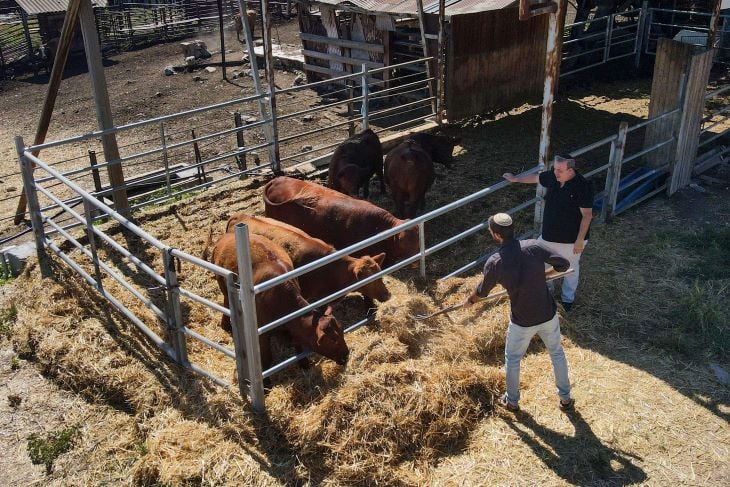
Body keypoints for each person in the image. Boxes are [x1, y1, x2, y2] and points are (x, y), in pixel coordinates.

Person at [463, 213, 574, 412]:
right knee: (556, 352)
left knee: (513, 359)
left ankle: (512, 401)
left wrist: (470, 301)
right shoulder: (534, 246)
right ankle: (565, 398)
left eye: (490, 231)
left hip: (522, 320)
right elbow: (564, 264)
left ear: (496, 236)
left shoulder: (495, 262)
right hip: (547, 313)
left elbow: (482, 292)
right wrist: (544, 275)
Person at [503, 155, 593, 311]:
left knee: (570, 268)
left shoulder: (583, 186)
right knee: (541, 264)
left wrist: (579, 240)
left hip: (570, 240)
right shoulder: (554, 176)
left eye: (560, 170)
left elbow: (587, 215)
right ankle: (548, 292)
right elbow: (536, 178)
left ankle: (567, 300)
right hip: (548, 235)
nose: (555, 173)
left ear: (571, 170)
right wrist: (516, 179)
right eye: (555, 169)